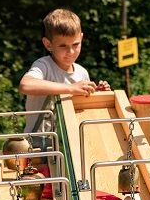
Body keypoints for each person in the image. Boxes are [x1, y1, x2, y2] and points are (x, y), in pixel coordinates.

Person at [19, 8, 110, 138]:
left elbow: (83, 110)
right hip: (38, 143)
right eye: (63, 46)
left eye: (75, 44)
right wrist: (71, 88)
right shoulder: (44, 65)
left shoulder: (82, 72)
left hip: (70, 143)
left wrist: (98, 93)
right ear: (48, 44)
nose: (71, 52)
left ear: (81, 38)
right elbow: (25, 85)